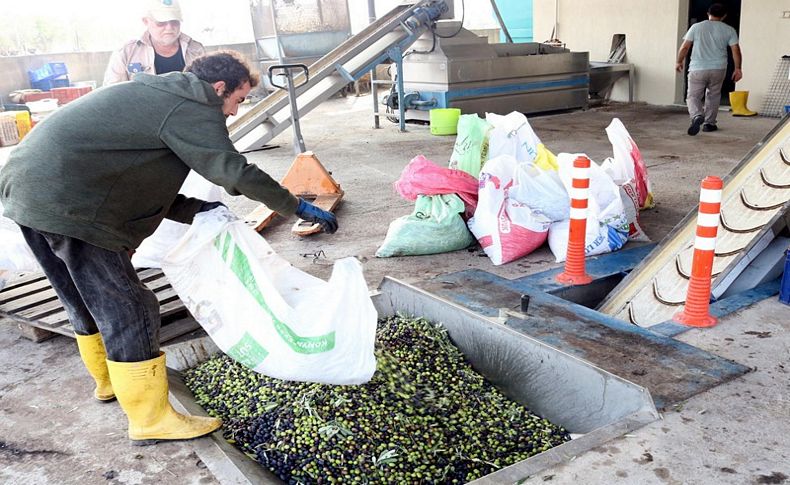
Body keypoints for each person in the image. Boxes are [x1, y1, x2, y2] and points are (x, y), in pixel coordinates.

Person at [0, 51, 338, 446]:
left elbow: (137, 181)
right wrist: (294, 204)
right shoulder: (193, 104)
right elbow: (233, 169)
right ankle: (150, 417)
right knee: (130, 307)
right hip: (69, 203)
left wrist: (195, 209)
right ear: (218, 89)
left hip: (28, 193)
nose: (234, 111)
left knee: (81, 296)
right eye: (239, 99)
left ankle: (110, 382)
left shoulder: (155, 96)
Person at [675, 3, 742, 136]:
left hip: (697, 68)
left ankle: (696, 115)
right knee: (713, 95)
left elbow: (685, 47)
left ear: (708, 14)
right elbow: (736, 50)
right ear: (724, 16)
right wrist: (738, 68)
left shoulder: (696, 27)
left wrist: (679, 61)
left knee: (693, 96)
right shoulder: (729, 30)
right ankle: (709, 124)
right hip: (718, 68)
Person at [103, 0, 205, 85]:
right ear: (146, 21)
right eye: (161, 23)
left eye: (174, 21)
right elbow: (111, 92)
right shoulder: (126, 52)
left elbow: (209, 89)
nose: (169, 28)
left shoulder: (196, 50)